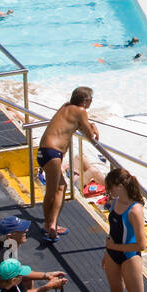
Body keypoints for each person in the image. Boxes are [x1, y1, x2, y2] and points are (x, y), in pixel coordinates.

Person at [93, 168, 147, 292]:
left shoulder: (135, 210)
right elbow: (114, 231)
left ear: (119, 186)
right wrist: (107, 252)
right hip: (112, 253)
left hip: (129, 257)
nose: (108, 192)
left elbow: (141, 244)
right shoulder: (116, 202)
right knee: (115, 291)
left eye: (110, 188)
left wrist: (114, 248)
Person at [38, 87, 100, 241]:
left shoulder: (65, 107)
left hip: (44, 151)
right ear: (85, 101)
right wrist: (94, 128)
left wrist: (88, 124)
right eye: (90, 100)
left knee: (57, 188)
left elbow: (73, 124)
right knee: (56, 190)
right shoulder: (80, 111)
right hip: (53, 152)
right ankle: (51, 225)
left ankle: (50, 223)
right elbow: (89, 135)